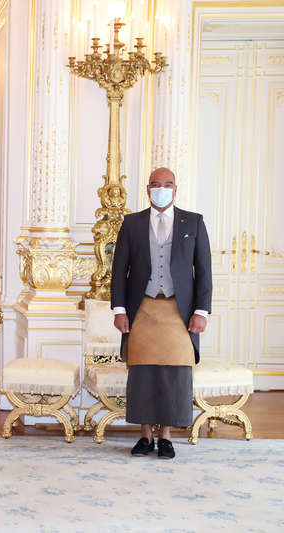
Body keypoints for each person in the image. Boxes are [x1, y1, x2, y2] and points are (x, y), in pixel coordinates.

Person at [111, 167, 212, 459]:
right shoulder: (131, 223)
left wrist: (201, 311)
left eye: (167, 184)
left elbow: (204, 270)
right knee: (142, 372)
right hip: (142, 308)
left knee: (175, 372)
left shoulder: (193, 222)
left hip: (178, 311)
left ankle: (166, 436)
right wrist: (119, 310)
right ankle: (145, 435)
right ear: (147, 189)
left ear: (175, 189)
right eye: (156, 184)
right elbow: (119, 270)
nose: (161, 189)